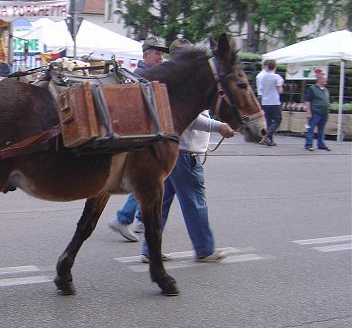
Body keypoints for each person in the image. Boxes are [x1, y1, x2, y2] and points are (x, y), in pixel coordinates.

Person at [141, 111, 236, 263]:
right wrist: (219, 126)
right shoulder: (191, 88)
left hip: (171, 150)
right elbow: (191, 116)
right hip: (185, 153)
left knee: (161, 204)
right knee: (195, 203)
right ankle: (204, 250)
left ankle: (150, 249)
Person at [108, 35, 169, 241]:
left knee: (152, 181)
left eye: (161, 54)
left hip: (147, 135)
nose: (161, 58)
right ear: (146, 55)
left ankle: (138, 218)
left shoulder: (146, 73)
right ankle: (126, 218)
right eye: (158, 53)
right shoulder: (143, 75)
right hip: (144, 137)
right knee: (149, 181)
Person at [258, 59, 283, 146]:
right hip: (274, 101)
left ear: (267, 67)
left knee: (268, 121)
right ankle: (268, 134)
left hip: (265, 101)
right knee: (278, 120)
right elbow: (280, 90)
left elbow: (261, 89)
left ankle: (270, 140)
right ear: (275, 67)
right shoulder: (277, 77)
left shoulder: (263, 77)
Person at [304, 69, 331, 151]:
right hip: (315, 112)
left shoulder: (326, 90)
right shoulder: (312, 88)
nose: (325, 81)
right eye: (324, 79)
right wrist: (308, 112)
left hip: (324, 113)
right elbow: (308, 101)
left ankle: (321, 144)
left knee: (321, 129)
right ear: (319, 79)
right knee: (311, 128)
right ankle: (308, 144)